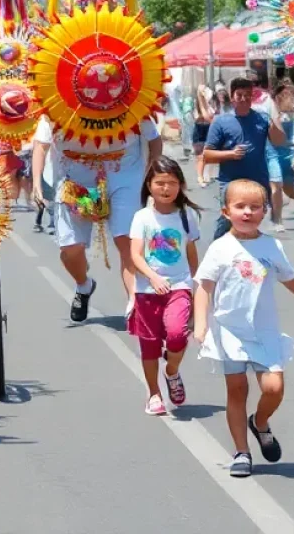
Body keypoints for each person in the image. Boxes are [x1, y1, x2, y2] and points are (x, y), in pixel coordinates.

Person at [193, 178, 294, 479]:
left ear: (265, 211)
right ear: (226, 211)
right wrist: (201, 323)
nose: (247, 212)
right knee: (237, 390)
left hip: (264, 331)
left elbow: (290, 278)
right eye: (240, 206)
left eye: (255, 207)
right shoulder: (220, 248)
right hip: (229, 331)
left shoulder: (271, 245)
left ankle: (261, 422)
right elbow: (204, 287)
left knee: (274, 388)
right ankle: (242, 452)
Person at [39, 112, 162, 322]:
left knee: (127, 239)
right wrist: (35, 183)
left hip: (123, 171)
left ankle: (135, 303)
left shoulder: (130, 101)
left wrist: (153, 173)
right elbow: (40, 145)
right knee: (70, 249)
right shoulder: (56, 105)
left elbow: (154, 140)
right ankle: (83, 285)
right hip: (73, 177)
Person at [128, 156, 201, 416]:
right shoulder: (142, 217)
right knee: (148, 346)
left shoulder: (187, 215)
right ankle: (154, 394)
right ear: (149, 185)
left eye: (171, 183)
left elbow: (191, 252)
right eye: (160, 183)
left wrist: (198, 286)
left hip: (179, 286)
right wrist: (152, 277)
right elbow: (135, 255)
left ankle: (171, 372)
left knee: (177, 335)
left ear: (180, 185)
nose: (166, 188)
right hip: (147, 290)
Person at [203, 76, 287, 240]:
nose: (243, 99)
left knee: (251, 222)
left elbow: (279, 141)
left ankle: (246, 257)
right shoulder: (221, 121)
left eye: (247, 95)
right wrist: (230, 154)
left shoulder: (261, 118)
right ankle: (219, 249)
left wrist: (273, 121)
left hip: (257, 181)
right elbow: (207, 155)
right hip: (230, 182)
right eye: (239, 95)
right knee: (230, 221)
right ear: (232, 97)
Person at [269, 80, 294, 232]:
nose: (287, 97)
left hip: (289, 153)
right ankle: (277, 219)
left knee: (289, 190)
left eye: (289, 94)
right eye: (283, 95)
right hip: (273, 153)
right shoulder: (272, 113)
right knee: (275, 186)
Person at [30, 116, 56, 234]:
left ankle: (52, 222)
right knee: (44, 199)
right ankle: (41, 221)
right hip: (47, 170)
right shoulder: (45, 120)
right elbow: (39, 147)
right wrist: (36, 181)